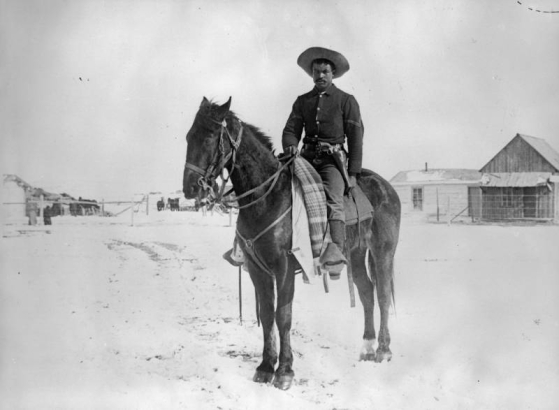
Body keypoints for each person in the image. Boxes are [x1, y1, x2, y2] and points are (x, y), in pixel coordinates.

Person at [281, 47, 364, 278]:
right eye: (316, 71)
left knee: (333, 200)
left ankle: (335, 254)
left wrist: (353, 172)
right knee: (284, 192)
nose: (320, 76)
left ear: (333, 73)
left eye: (325, 71)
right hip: (306, 158)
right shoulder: (302, 102)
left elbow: (356, 138)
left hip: (331, 162)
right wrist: (290, 144)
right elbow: (290, 130)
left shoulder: (346, 101)